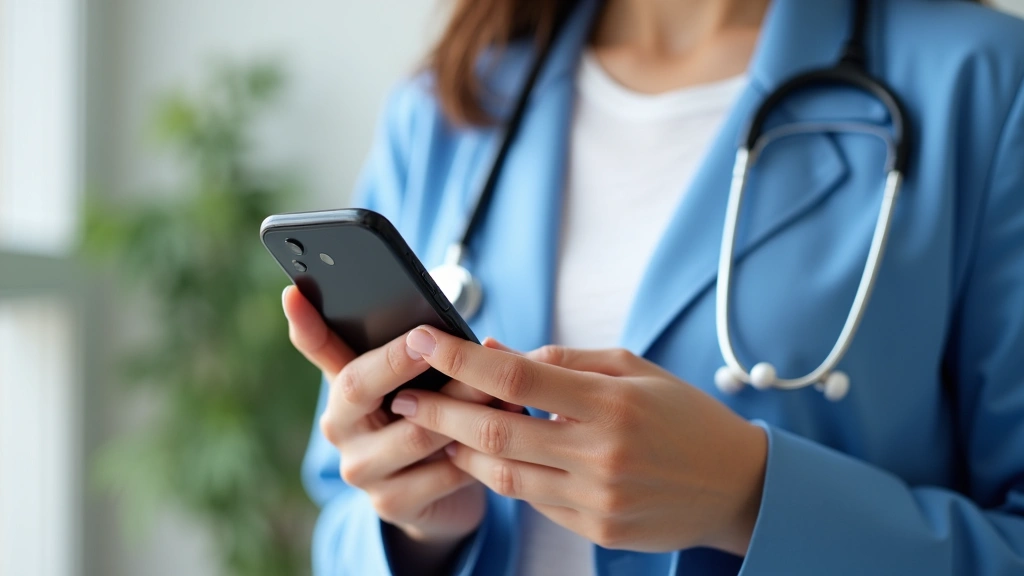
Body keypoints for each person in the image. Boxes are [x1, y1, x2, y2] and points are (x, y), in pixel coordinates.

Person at [283, 0, 1024, 574]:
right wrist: (413, 531)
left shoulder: (984, 88)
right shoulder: (450, 102)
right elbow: (340, 518)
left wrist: (749, 499)